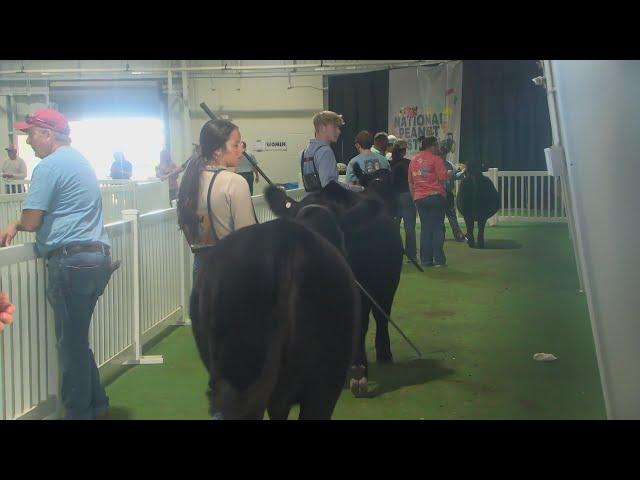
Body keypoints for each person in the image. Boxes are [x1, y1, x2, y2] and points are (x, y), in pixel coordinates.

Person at [0, 108, 115, 420]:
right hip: (96, 258)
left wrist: (15, 224)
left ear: (48, 134)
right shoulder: (79, 160)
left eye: (31, 134)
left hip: (70, 262)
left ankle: (79, 413)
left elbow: (33, 218)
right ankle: (98, 404)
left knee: (70, 345)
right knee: (77, 339)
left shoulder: (49, 167)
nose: (28, 141)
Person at [177, 119, 257, 282]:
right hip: (230, 272)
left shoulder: (190, 180)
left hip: (201, 270)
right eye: (235, 145)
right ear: (218, 151)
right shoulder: (234, 182)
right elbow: (248, 238)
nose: (241, 149)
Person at [408, 136, 451, 267]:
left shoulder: (413, 160)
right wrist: (451, 173)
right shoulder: (436, 159)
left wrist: (414, 197)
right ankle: (439, 259)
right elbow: (443, 177)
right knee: (437, 228)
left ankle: (426, 260)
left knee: (425, 229)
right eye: (436, 145)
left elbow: (410, 181)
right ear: (432, 146)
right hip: (435, 196)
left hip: (420, 198)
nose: (438, 148)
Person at [300, 110, 344, 193]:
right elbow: (329, 186)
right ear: (323, 127)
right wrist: (351, 188)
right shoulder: (325, 151)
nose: (339, 131)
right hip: (326, 203)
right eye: (335, 127)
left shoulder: (304, 153)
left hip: (311, 202)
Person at [390, 140, 417, 262]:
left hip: (395, 196)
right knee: (409, 227)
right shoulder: (409, 163)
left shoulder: (391, 163)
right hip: (407, 196)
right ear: (404, 150)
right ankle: (412, 255)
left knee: (394, 227)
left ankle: (395, 252)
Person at [443, 158, 466, 241]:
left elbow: (457, 176)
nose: (444, 155)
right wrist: (456, 171)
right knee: (439, 216)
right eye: (442, 153)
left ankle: (458, 234)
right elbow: (447, 174)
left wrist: (462, 172)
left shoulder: (449, 164)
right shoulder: (434, 163)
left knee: (452, 215)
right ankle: (441, 234)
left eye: (445, 153)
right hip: (438, 193)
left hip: (448, 193)